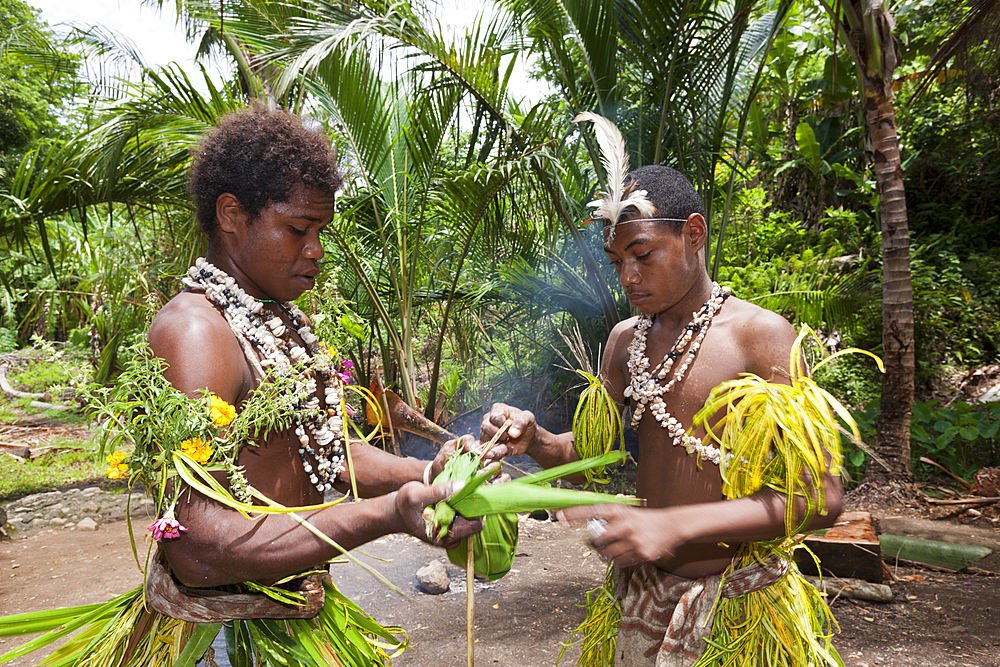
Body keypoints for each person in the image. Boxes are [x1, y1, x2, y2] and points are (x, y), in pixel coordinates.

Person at [481, 162, 844, 666]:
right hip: (641, 603)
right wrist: (535, 439)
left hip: (738, 611)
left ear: (693, 233)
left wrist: (673, 526)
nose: (628, 277)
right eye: (616, 261)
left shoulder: (759, 338)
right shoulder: (624, 342)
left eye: (643, 255)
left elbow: (820, 497)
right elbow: (593, 452)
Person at [147, 106, 485, 591]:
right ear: (231, 215)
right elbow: (194, 547)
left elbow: (321, 449)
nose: (317, 250)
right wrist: (386, 514)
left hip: (296, 610)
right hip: (229, 637)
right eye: (297, 229)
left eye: (320, 232)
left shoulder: (274, 316)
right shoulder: (197, 333)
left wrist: (429, 471)